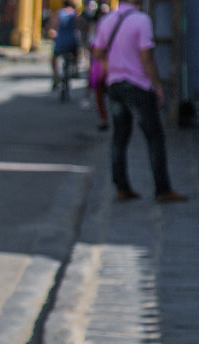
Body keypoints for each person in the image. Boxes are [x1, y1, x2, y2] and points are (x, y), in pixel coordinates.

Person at [92, 0, 186, 203]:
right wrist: (157, 85)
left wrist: (113, 66)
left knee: (119, 138)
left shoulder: (107, 20)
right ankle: (162, 189)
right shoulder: (141, 20)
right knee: (154, 138)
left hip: (115, 86)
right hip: (138, 86)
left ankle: (122, 187)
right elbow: (146, 57)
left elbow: (98, 53)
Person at [48, 0, 80, 90]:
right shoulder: (75, 14)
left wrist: (52, 33)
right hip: (72, 40)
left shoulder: (59, 13)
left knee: (54, 58)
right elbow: (79, 27)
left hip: (61, 41)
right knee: (77, 53)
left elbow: (53, 27)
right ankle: (75, 67)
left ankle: (55, 77)